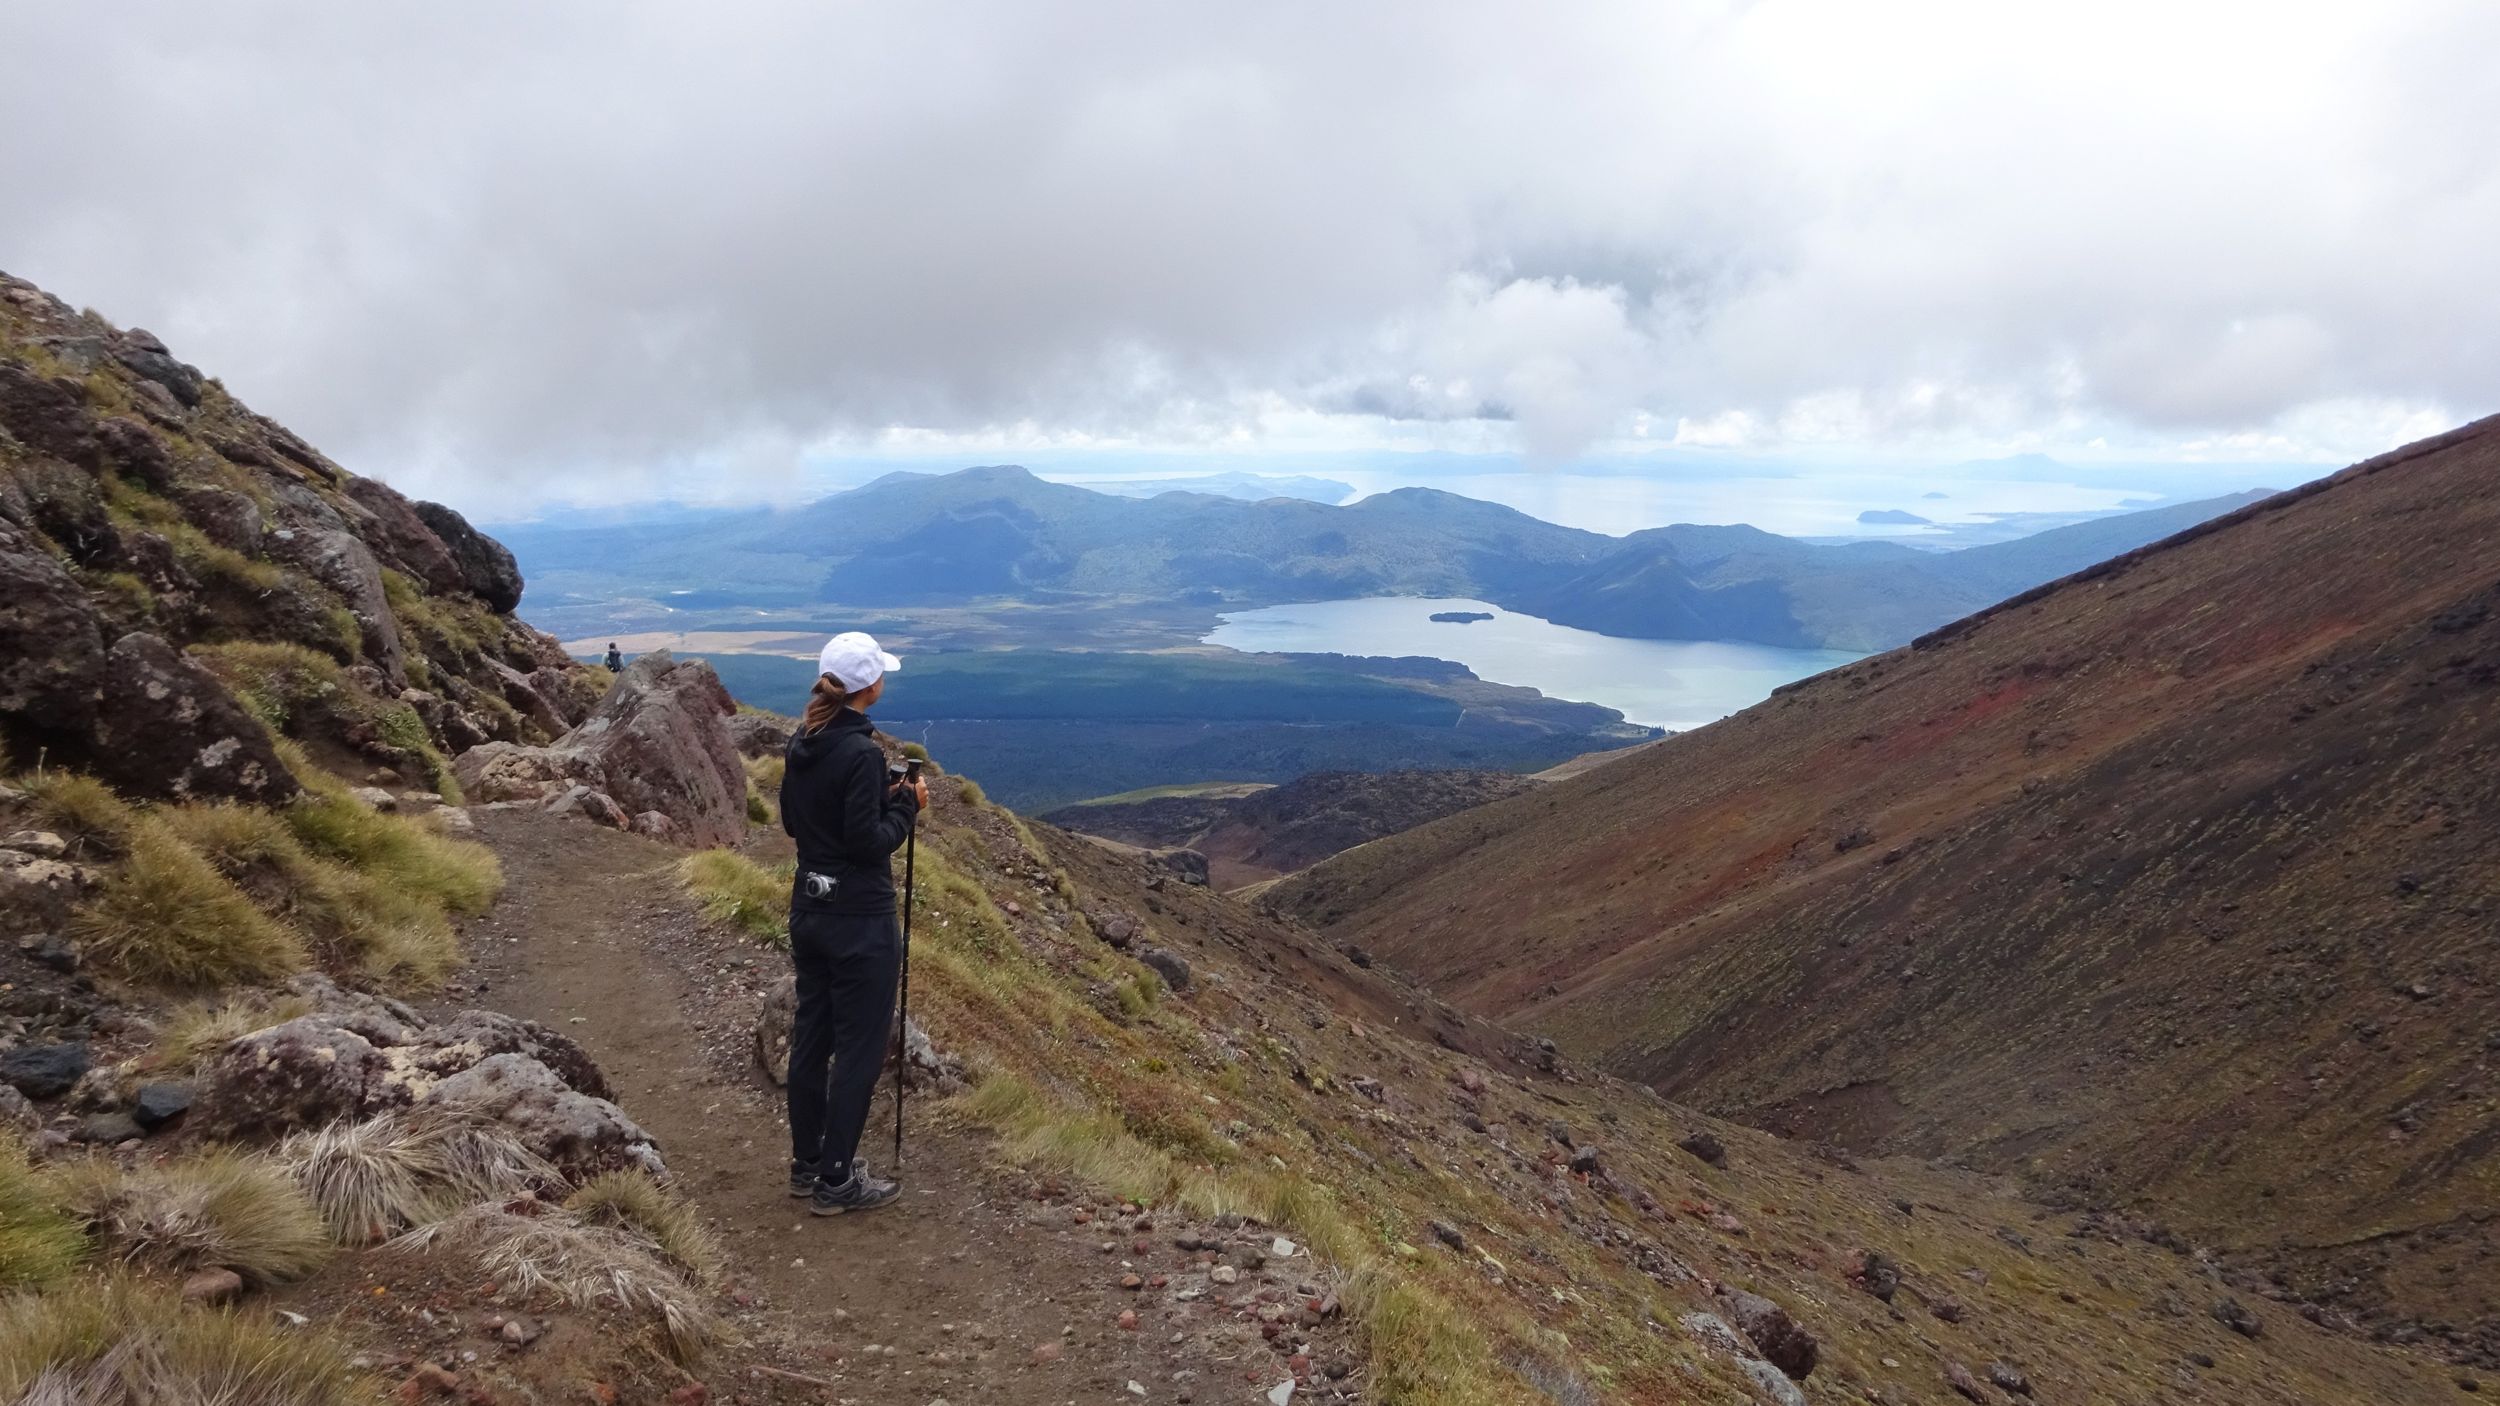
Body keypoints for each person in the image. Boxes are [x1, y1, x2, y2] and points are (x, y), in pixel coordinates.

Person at [778, 630, 928, 1214]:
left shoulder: (805, 740)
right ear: (870, 686)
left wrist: (880, 798)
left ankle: (808, 1162)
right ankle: (837, 1180)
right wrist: (906, 806)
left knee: (812, 1037)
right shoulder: (861, 753)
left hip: (809, 907)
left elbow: (795, 822)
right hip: (860, 919)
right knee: (860, 1049)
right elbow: (869, 844)